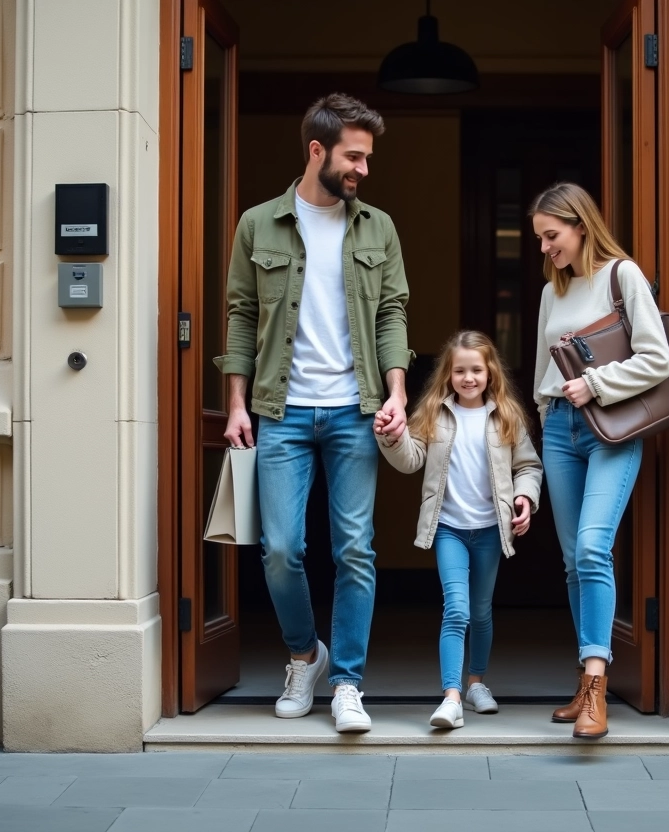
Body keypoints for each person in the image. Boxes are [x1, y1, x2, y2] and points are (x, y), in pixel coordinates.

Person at [216, 93, 412, 733]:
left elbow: (392, 314)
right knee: (280, 549)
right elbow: (242, 316)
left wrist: (397, 392)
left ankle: (348, 682)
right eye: (354, 156)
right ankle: (306, 655)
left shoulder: (377, 227)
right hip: (282, 411)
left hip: (357, 411)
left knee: (355, 549)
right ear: (317, 150)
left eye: (369, 157)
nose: (363, 169)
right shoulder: (258, 224)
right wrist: (237, 404)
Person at [528, 182, 669, 739]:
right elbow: (546, 369)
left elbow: (657, 358)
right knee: (572, 561)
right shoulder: (552, 292)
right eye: (540, 238)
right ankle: (584, 681)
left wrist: (595, 383)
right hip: (561, 431)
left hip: (610, 430)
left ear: (580, 225)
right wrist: (545, 420)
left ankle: (596, 685)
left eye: (551, 235)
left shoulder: (622, 275)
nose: (544, 248)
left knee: (593, 546)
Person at [374, 331, 543, 729]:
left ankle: (476, 683)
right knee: (457, 610)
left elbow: (528, 467)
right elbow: (410, 459)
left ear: (490, 373)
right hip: (448, 528)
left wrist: (524, 498)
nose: (468, 378)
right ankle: (451, 696)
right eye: (460, 371)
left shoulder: (507, 417)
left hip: (489, 530)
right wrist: (389, 437)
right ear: (448, 375)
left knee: (481, 612)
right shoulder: (434, 413)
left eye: (476, 370)